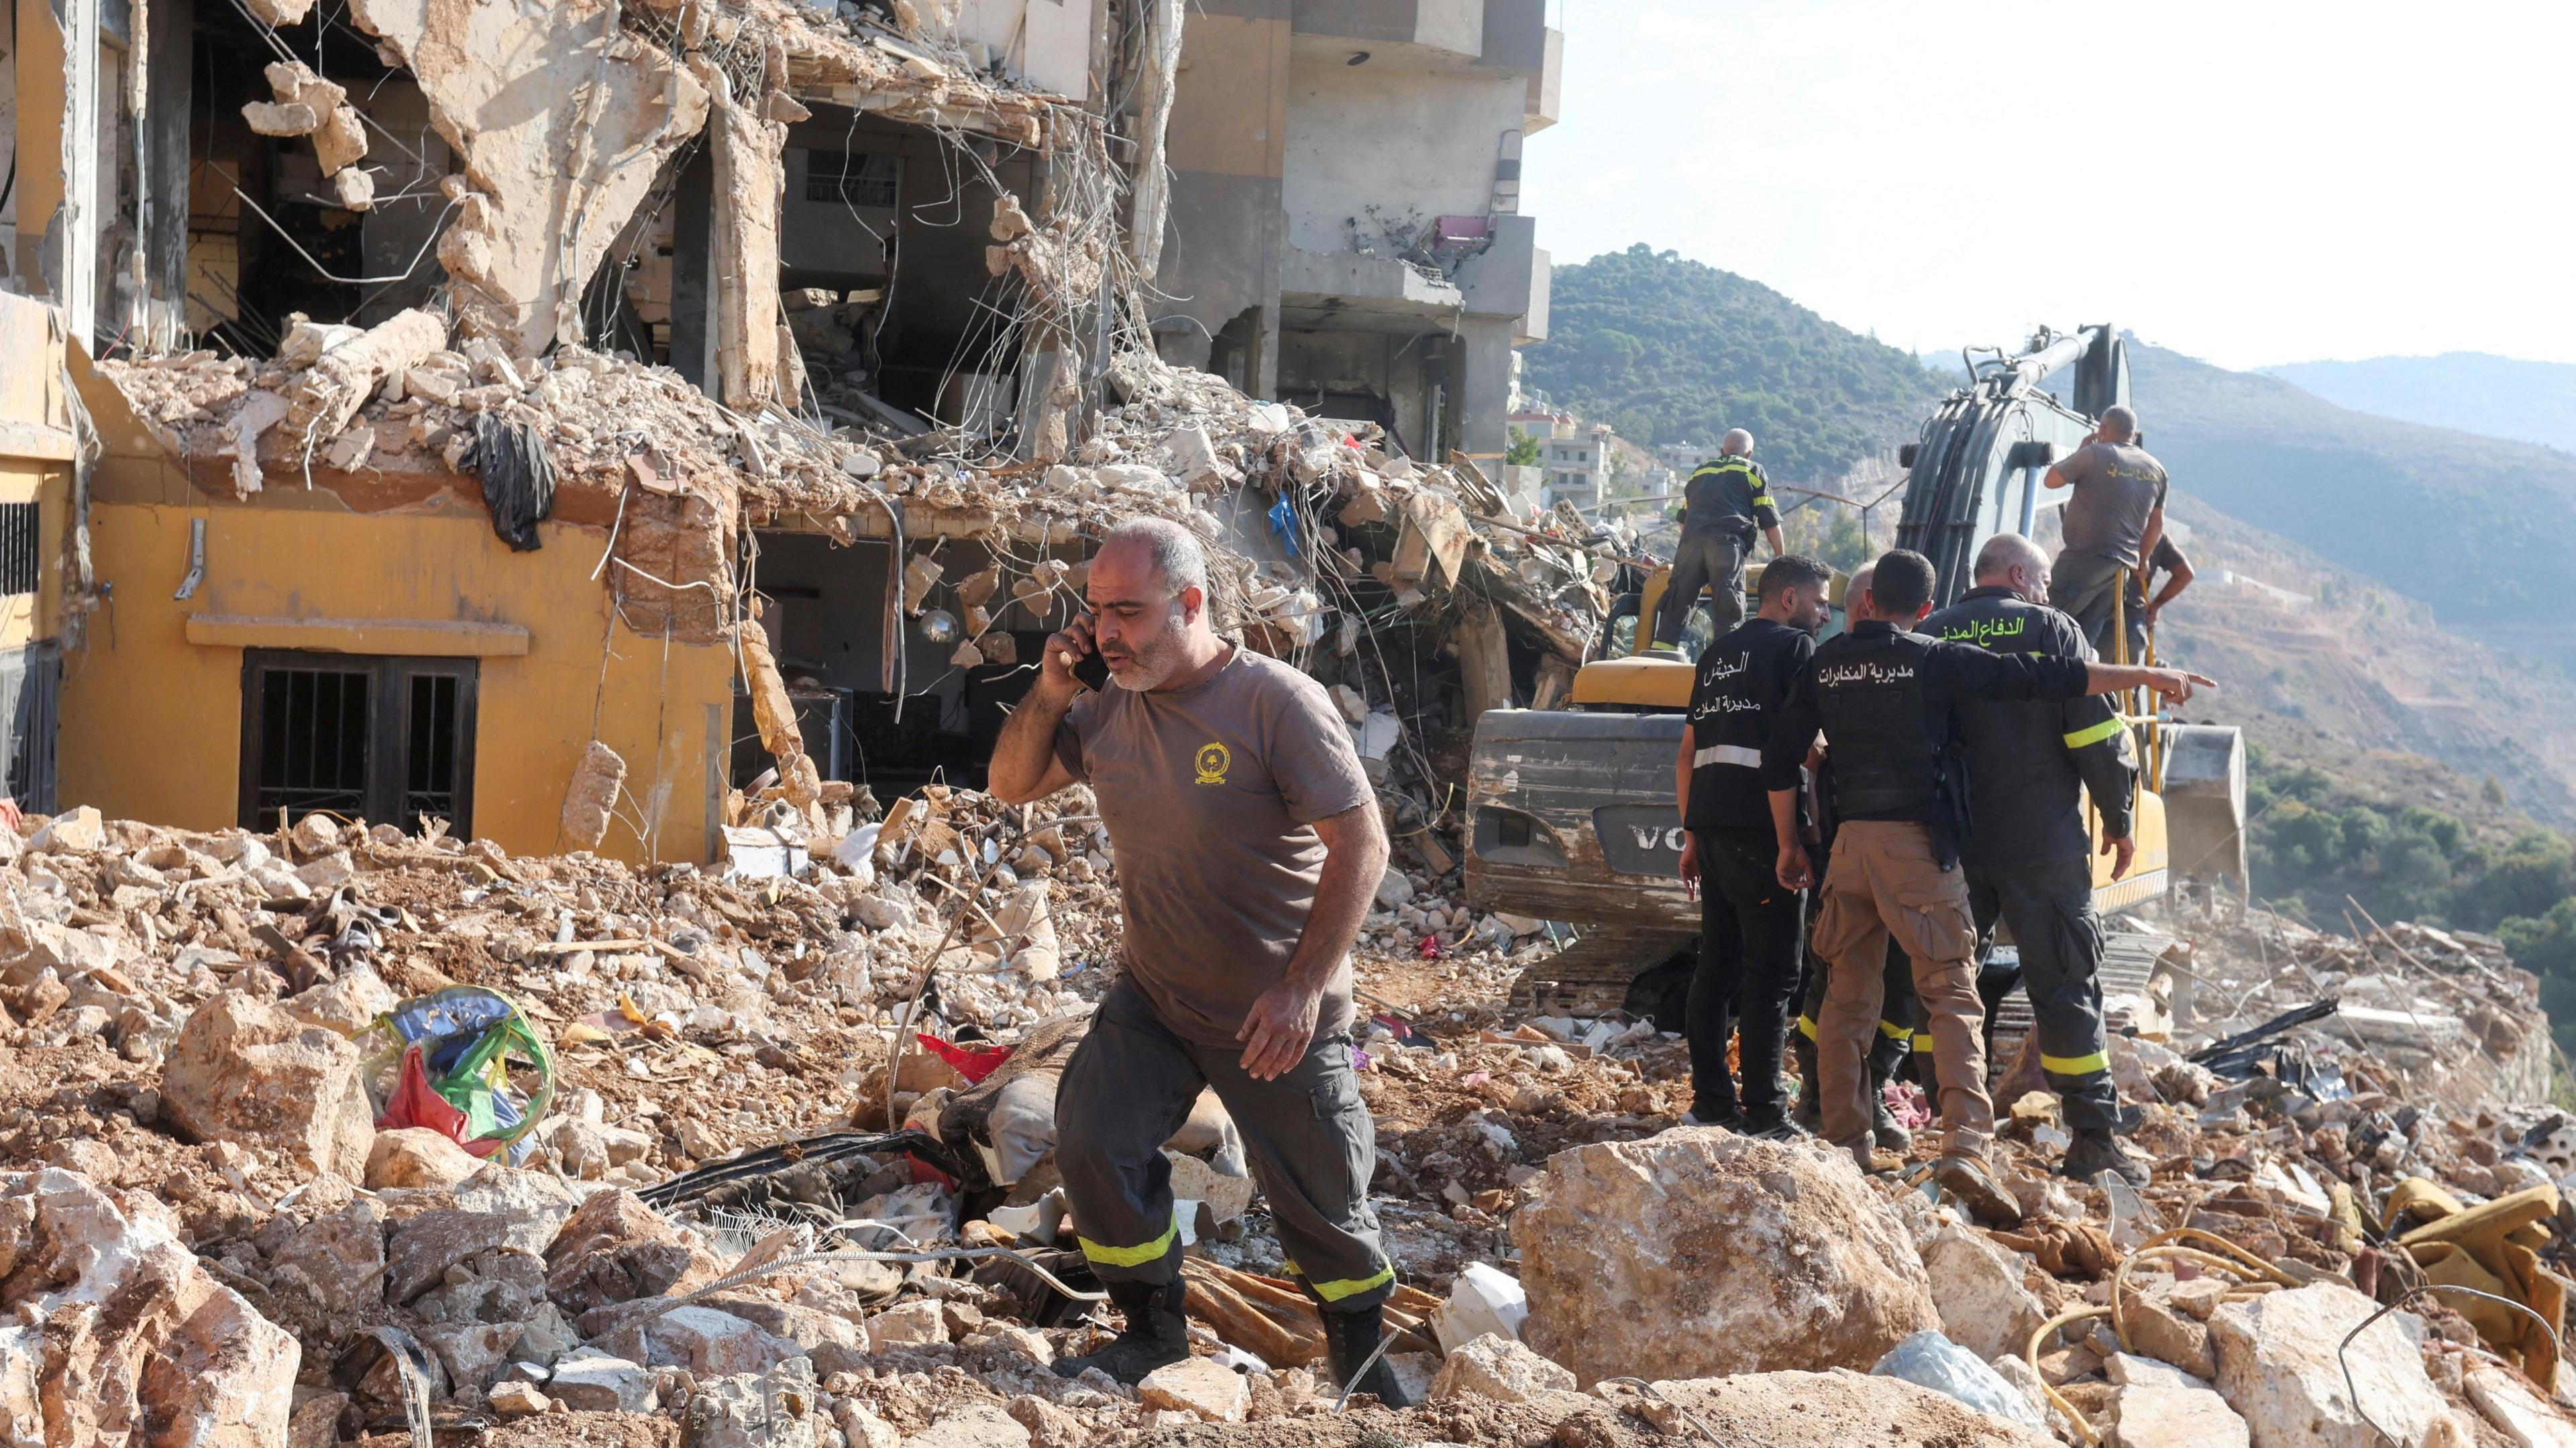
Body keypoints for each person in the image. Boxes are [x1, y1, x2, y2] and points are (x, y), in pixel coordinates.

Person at [986, 518, 1411, 1403]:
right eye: (1096, 610)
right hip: (1159, 995)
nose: (1107, 631)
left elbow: (1362, 844)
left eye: (1129, 611)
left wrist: (1299, 988)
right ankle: (1150, 1330)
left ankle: (1365, 1370)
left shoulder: (1273, 702)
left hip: (1274, 1010)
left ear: (1191, 602)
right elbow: (1012, 783)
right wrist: (1050, 688)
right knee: (1093, 1138)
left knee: (1324, 1206)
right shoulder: (1105, 702)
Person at [1761, 549, 2211, 1224]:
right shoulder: (1988, 640)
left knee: (1869, 989)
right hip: (2021, 841)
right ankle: (2034, 1140)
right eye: (2047, 579)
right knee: (1999, 989)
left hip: (1914, 842)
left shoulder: (1876, 650)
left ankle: (1846, 1132)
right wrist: (2122, 801)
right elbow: (2066, 696)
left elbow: (1787, 751)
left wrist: (1794, 837)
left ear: (1867, 603)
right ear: (2024, 579)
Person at [1921, 533, 2151, 1185]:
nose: (2048, 592)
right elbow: (2096, 732)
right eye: (2045, 580)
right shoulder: (2054, 631)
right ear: (2020, 575)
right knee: (2066, 985)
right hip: (2041, 843)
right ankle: (2092, 1140)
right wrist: (2119, 816)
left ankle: (1943, 1126)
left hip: (1950, 845)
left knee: (1943, 984)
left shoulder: (1931, 633)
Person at [1672, 553, 1833, 1136]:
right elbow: (1789, 753)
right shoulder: (1796, 652)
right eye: (1819, 601)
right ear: (1788, 599)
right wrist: (1791, 841)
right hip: (1760, 830)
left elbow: (1688, 753)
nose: (1824, 613)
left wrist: (1692, 835)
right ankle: (1766, 1112)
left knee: (1716, 969)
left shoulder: (1715, 655)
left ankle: (1712, 1102)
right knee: (1772, 976)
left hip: (1713, 826)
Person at [1781, 559, 1915, 1150]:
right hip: (1843, 860)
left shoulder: (1912, 671)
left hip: (1902, 859)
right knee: (1831, 990)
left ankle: (1874, 1090)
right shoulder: (1828, 673)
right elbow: (1794, 762)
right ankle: (1821, 1097)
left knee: (1900, 989)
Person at [2043, 405, 2168, 663]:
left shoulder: (2093, 454)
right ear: (2135, 434)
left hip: (2082, 559)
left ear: (2102, 429)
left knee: (2046, 619)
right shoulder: (2156, 469)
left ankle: (2041, 684)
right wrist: (2142, 560)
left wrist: (2082, 451)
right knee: (2087, 633)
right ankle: (2075, 686)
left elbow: (2051, 480)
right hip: (2120, 569)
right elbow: (2156, 524)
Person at [1649, 429, 1784, 653]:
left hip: (1690, 543)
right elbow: (1769, 519)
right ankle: (1722, 666)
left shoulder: (1701, 472)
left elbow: (1683, 519)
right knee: (1728, 611)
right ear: (1748, 454)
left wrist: (1691, 549)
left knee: (1676, 605)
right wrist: (1781, 558)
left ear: (1722, 452)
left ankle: (1657, 660)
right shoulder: (1753, 470)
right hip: (1726, 545)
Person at [2139, 534, 2195, 634]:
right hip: (2134, 622)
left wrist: (2156, 606)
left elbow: (2186, 575)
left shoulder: (2110, 526)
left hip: (2106, 615)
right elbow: (2185, 574)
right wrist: (2156, 605)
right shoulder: (2158, 537)